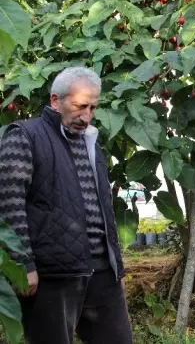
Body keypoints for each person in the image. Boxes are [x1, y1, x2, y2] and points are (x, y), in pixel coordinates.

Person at [0, 67, 133, 344]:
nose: (86, 117)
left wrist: (116, 266)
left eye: (93, 108)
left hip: (101, 273)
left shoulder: (91, 142)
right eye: (80, 106)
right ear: (55, 100)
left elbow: (103, 207)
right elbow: (9, 202)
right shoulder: (25, 135)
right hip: (52, 275)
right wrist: (23, 263)